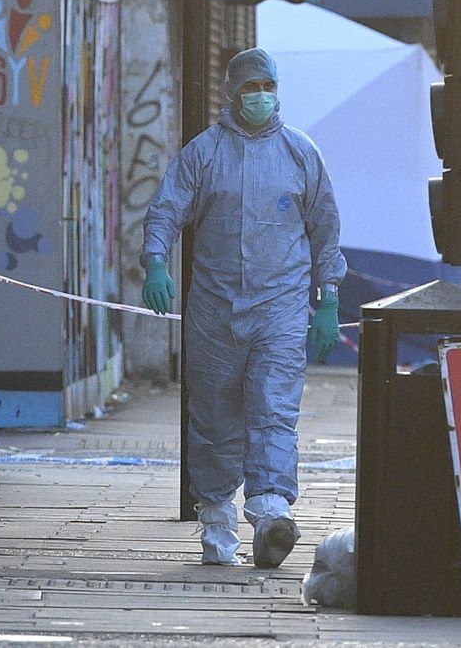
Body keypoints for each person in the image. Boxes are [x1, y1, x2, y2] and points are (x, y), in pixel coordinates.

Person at [140, 48, 346, 568]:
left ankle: (271, 511)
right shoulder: (204, 154)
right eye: (250, 86)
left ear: (278, 90)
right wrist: (156, 264)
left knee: (273, 408)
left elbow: (325, 229)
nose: (259, 95)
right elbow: (165, 209)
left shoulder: (301, 154)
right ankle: (217, 525)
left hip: (280, 307)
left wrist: (330, 297)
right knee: (213, 416)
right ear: (232, 93)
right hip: (215, 308)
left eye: (267, 86)